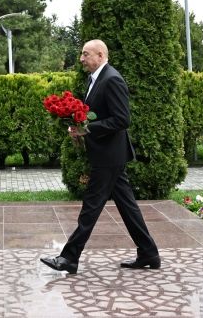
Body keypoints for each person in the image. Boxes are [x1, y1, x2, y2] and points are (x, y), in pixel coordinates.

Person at [40, 39, 161, 274]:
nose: (81, 59)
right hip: (108, 155)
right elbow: (93, 115)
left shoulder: (112, 79)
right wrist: (78, 126)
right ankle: (149, 253)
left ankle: (69, 258)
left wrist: (87, 129)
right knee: (127, 207)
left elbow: (122, 119)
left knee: (91, 207)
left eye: (85, 54)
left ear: (100, 54)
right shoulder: (94, 79)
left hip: (109, 156)